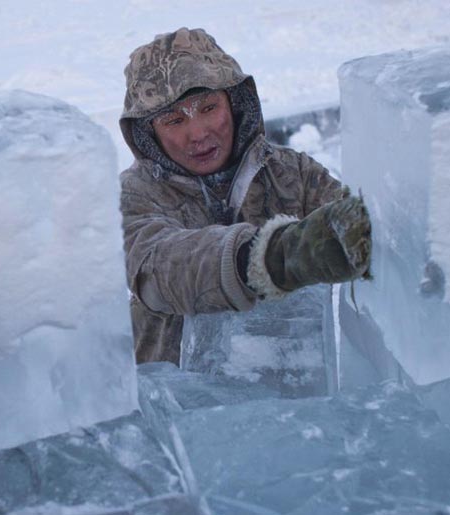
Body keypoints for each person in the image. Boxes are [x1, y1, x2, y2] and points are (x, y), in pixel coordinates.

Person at [119, 27, 371, 364]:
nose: (198, 133)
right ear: (149, 134)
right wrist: (271, 256)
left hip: (291, 395)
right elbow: (158, 270)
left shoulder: (292, 173)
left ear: (235, 105)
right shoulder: (134, 195)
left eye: (208, 108)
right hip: (175, 402)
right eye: (174, 120)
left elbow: (364, 226)